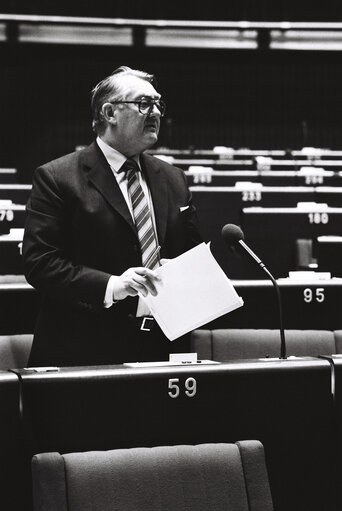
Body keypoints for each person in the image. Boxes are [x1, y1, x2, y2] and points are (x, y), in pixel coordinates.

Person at [22, 65, 202, 367]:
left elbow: (194, 255)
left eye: (159, 103)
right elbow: (40, 263)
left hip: (163, 348)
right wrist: (114, 286)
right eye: (144, 103)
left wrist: (185, 271)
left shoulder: (173, 178)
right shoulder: (57, 177)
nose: (156, 112)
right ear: (109, 112)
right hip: (84, 349)